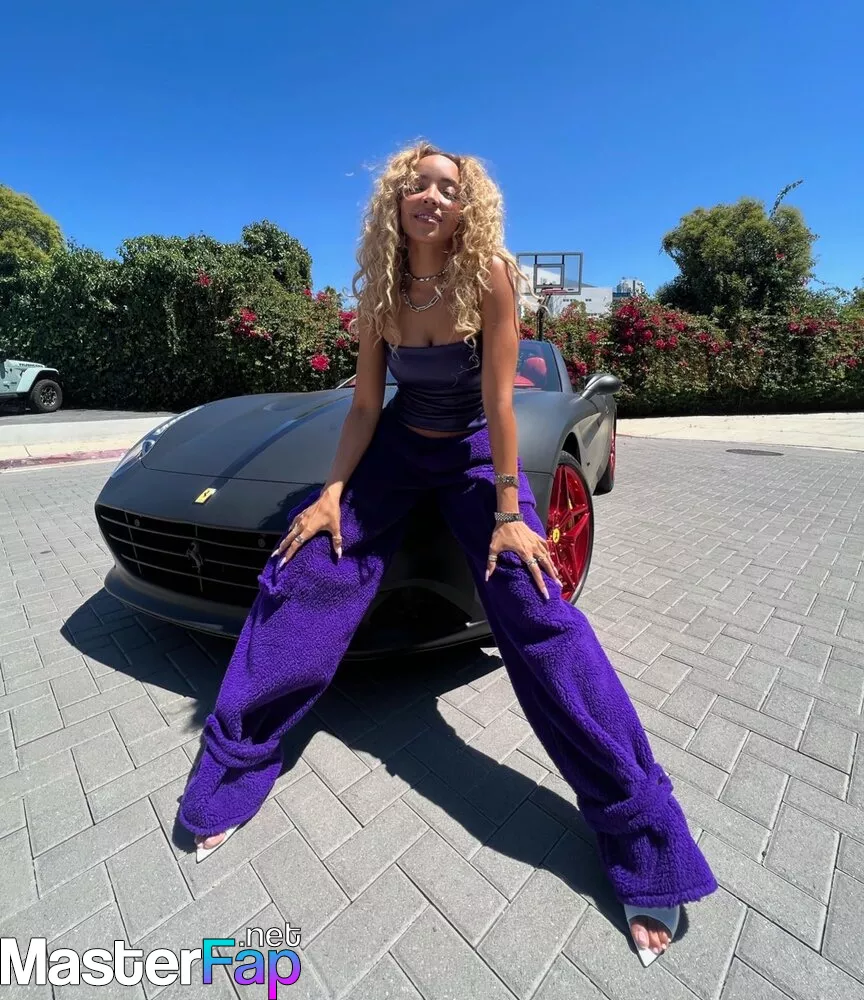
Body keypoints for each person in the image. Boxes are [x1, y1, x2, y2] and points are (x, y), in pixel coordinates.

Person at [176, 141, 717, 966]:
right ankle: (235, 767)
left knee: (537, 608)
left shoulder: (488, 274)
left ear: (466, 208)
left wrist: (508, 512)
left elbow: (500, 402)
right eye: (418, 184)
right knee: (305, 569)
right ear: (396, 199)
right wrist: (331, 493)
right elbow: (366, 406)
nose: (432, 197)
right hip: (398, 449)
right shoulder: (380, 289)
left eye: (449, 189)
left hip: (473, 451)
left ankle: (644, 838)